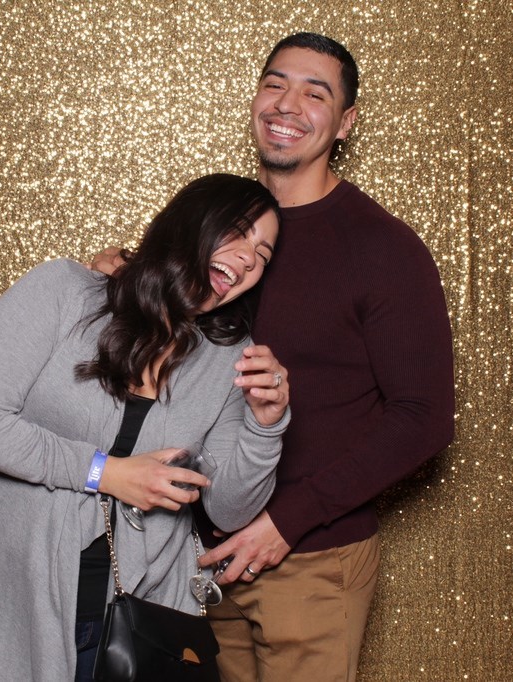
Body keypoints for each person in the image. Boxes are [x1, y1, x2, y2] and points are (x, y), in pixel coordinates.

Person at [92, 33, 455, 682]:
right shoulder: (212, 224)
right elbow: (163, 328)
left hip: (309, 559)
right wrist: (120, 280)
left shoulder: (383, 248)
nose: (288, 104)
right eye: (275, 84)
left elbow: (423, 418)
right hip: (189, 557)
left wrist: (288, 522)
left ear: (345, 123)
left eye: (315, 93)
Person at [0, 174, 292, 681]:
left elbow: (228, 509)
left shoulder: (229, 357)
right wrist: (106, 473)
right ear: (189, 223)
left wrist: (266, 426)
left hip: (146, 617)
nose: (247, 259)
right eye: (237, 232)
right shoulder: (64, 292)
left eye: (262, 254)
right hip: (21, 591)